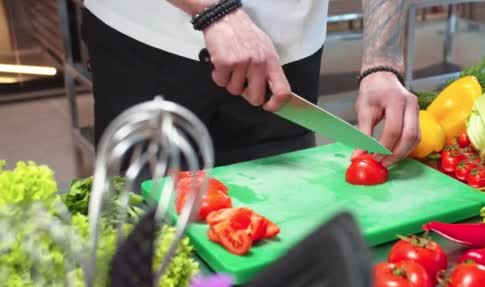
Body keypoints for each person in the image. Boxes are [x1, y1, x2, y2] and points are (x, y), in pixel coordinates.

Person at [81, 0, 420, 167]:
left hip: (285, 64)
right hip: (148, 48)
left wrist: (381, 62)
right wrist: (213, 9)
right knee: (145, 241)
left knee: (278, 245)